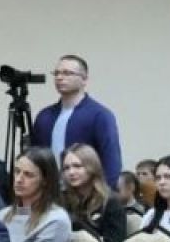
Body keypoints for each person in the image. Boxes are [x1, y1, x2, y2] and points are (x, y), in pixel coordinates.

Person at [29, 54, 122, 182]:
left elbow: (111, 162)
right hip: (50, 189)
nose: (59, 77)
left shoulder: (100, 115)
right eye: (56, 73)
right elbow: (35, 159)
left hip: (86, 190)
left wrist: (104, 192)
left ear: (84, 79)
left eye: (67, 73)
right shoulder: (44, 116)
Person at [60, 144, 128, 242]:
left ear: (92, 168)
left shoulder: (111, 202)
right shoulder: (62, 199)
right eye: (66, 168)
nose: (71, 172)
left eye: (77, 166)